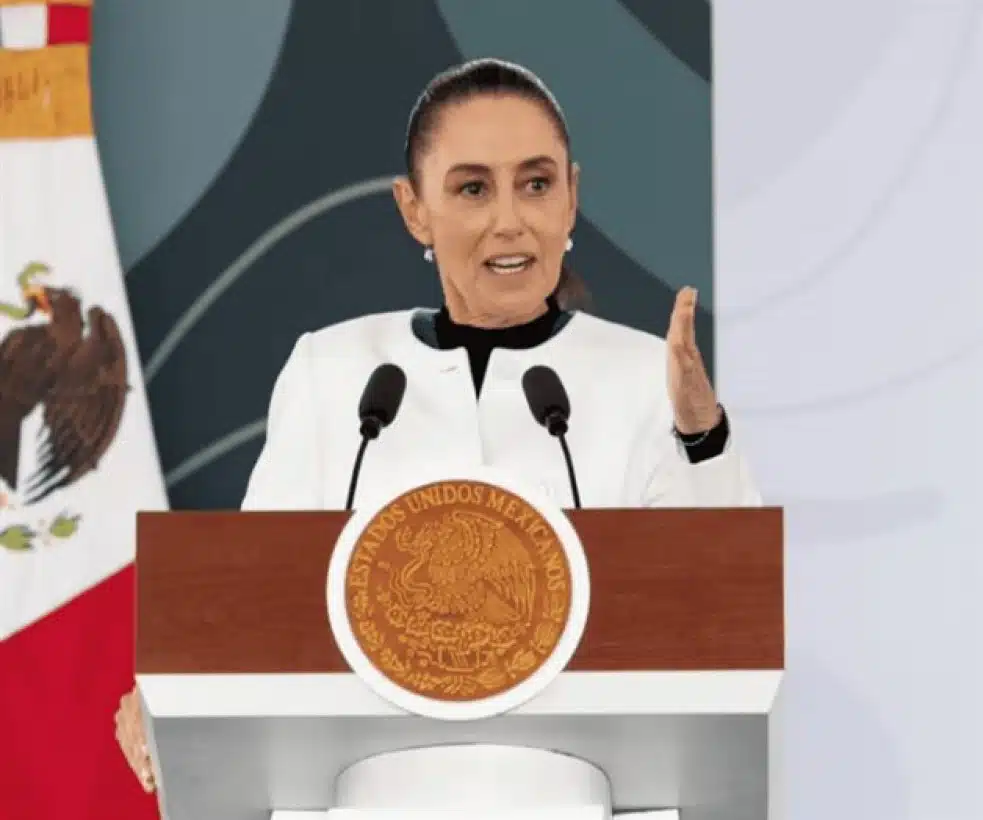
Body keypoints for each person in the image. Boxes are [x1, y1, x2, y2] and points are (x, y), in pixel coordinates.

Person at [115, 57, 761, 793]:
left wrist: (701, 434)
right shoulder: (336, 370)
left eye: (536, 184)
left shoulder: (645, 375)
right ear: (414, 207)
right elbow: (256, 602)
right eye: (472, 189)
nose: (509, 220)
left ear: (572, 197)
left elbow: (726, 622)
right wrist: (171, 690)